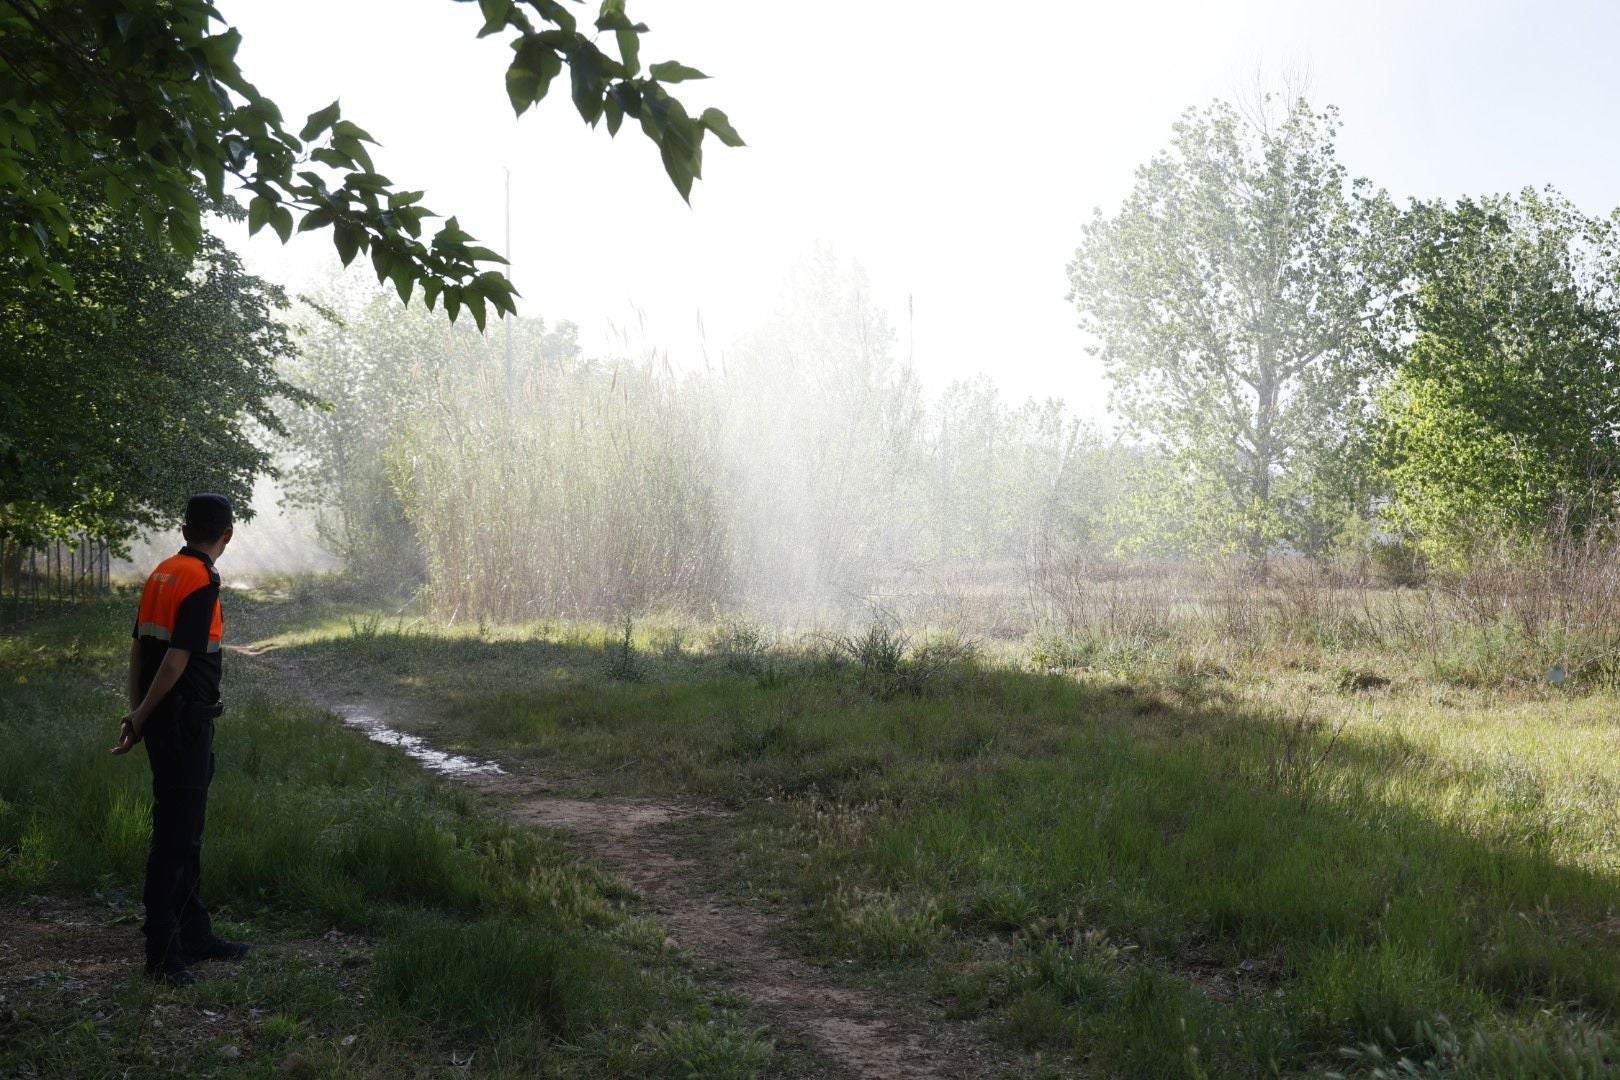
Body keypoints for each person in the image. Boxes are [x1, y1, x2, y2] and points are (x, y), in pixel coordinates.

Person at [112, 493, 249, 985]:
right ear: (227, 535)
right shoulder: (201, 580)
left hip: (163, 723)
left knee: (185, 831)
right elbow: (175, 661)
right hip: (184, 724)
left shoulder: (163, 572)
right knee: (174, 837)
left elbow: (138, 652)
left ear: (185, 528)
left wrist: (136, 715)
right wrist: (144, 715)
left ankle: (195, 932)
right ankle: (161, 948)